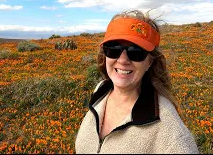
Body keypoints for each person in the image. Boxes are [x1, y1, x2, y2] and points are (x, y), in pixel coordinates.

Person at [75, 9, 199, 154]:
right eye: (113, 49)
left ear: (150, 61)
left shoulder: (169, 129)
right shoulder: (101, 91)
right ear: (105, 54)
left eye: (136, 52)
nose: (122, 60)